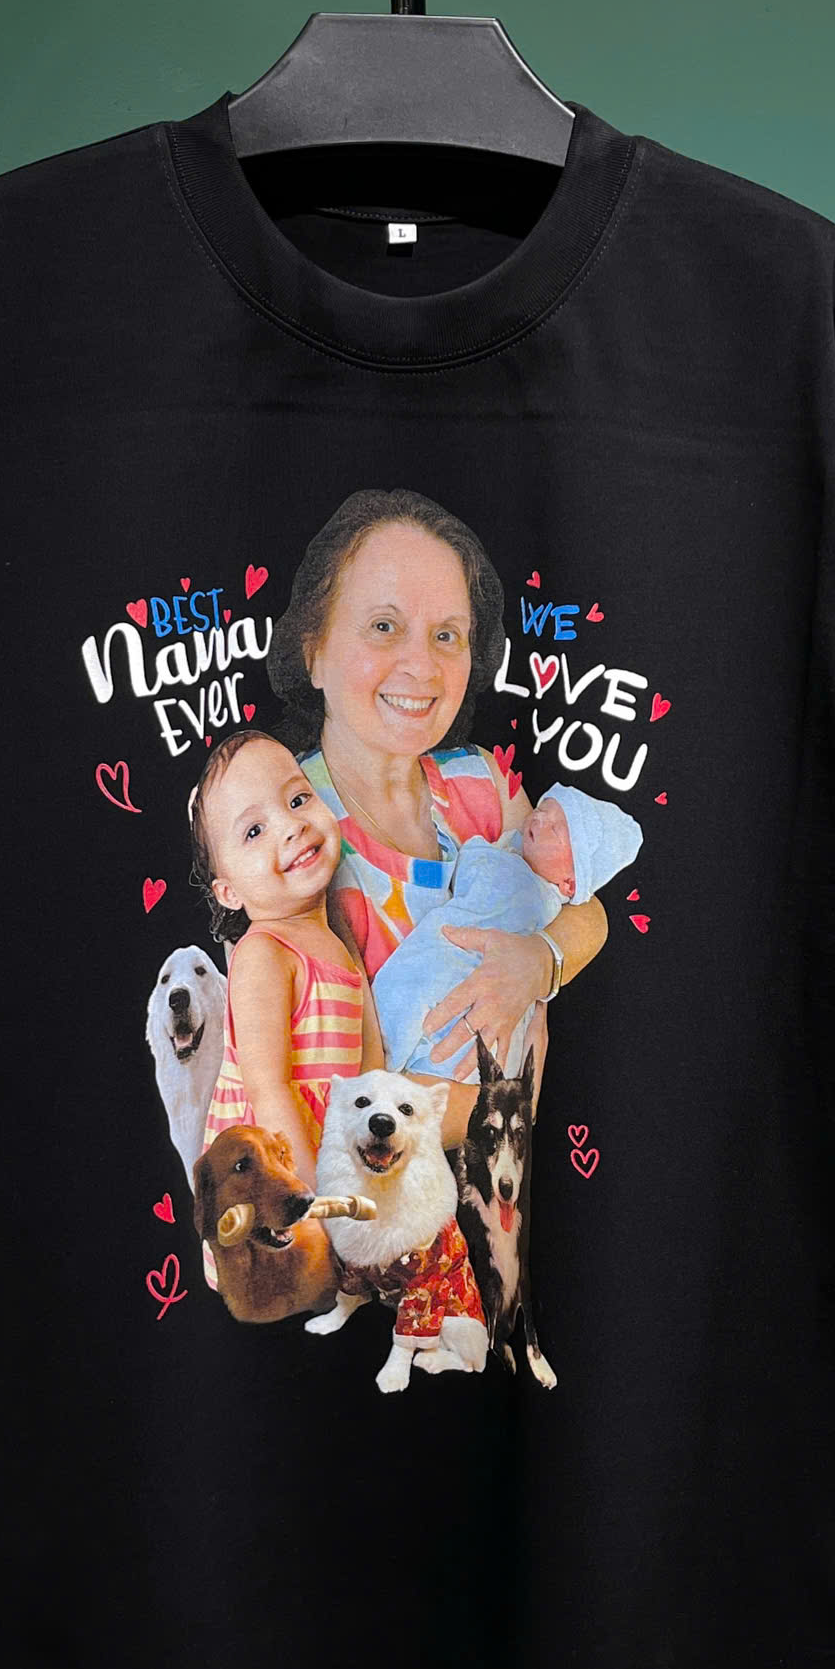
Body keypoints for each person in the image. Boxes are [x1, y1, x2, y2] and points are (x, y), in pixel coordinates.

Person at [264, 486, 609, 1146]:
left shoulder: (482, 781)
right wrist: (503, 1102)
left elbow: (585, 909)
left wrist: (539, 961)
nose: (421, 665)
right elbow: (338, 1094)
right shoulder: (288, 826)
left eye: (447, 635)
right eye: (384, 626)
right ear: (313, 649)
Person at [189, 726, 382, 1187]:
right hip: (272, 1179)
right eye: (254, 831)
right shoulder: (264, 953)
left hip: (332, 1157)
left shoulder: (337, 938)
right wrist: (312, 1199)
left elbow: (371, 1066)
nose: (292, 825)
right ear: (229, 892)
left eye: (298, 800)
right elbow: (267, 1092)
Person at [370, 781, 643, 1078]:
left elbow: (475, 867)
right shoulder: (528, 876)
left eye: (555, 829)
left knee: (407, 995)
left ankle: (383, 1066)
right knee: (423, 1017)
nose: (540, 818)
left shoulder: (532, 892)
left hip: (461, 975)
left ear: (570, 884)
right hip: (460, 981)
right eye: (543, 808)